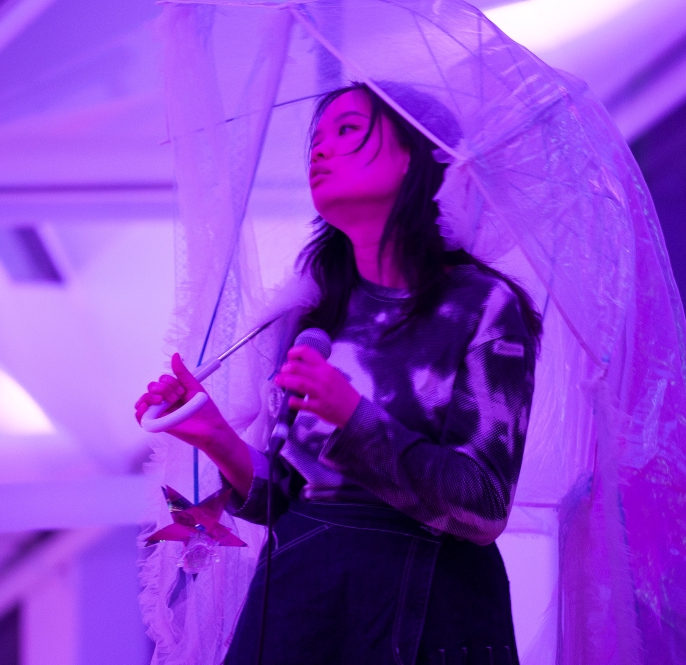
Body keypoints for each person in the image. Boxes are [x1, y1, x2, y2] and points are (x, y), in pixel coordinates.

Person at [135, 83, 542, 665]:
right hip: (299, 600)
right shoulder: (311, 314)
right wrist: (212, 434)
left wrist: (354, 418)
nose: (319, 152)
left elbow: (484, 507)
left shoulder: (483, 307)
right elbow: (282, 497)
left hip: (424, 607)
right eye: (315, 142)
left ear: (420, 156)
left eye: (348, 131)